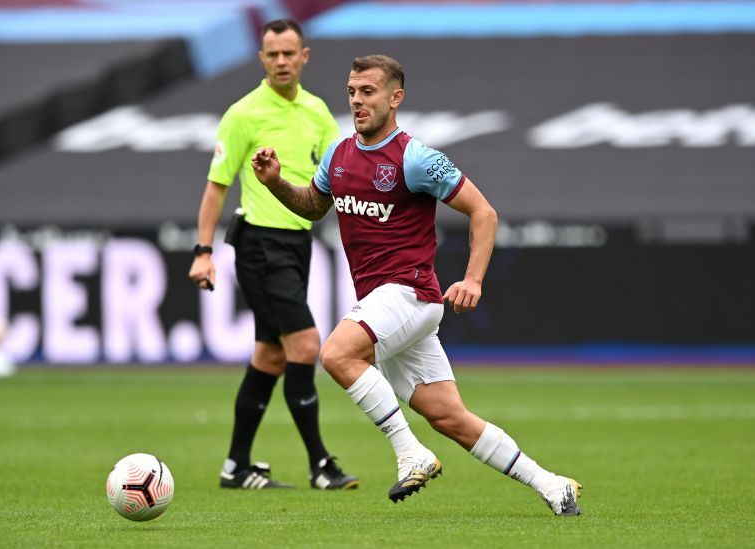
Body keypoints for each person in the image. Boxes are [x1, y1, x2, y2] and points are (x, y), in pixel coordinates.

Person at [250, 54, 583, 514]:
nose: (357, 101)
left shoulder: (416, 158)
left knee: (337, 353)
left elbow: (483, 213)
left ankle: (412, 454)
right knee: (451, 417)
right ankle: (551, 485)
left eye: (368, 92)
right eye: (351, 91)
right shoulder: (337, 155)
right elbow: (312, 205)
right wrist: (275, 184)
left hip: (410, 292)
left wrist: (472, 278)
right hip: (385, 303)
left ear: (395, 97)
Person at [188, 19, 358, 491]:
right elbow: (215, 187)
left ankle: (235, 467)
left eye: (289, 53)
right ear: (262, 60)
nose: (281, 61)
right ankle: (320, 464)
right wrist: (203, 251)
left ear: (305, 56)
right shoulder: (243, 113)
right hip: (260, 245)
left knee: (269, 356)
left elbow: (339, 175)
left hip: (297, 244)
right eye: (272, 54)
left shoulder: (319, 113)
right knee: (305, 345)